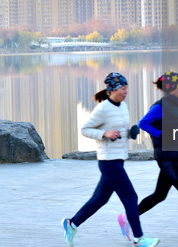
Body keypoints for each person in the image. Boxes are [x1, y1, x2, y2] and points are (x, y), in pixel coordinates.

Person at [61, 72, 160, 247]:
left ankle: (72, 224)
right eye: (123, 88)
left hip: (118, 158)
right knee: (130, 196)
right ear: (113, 90)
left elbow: (119, 131)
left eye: (126, 88)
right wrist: (104, 133)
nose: (126, 91)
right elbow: (85, 129)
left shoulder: (122, 106)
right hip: (108, 161)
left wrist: (131, 133)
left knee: (100, 198)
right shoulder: (103, 108)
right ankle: (139, 238)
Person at [117, 71, 178, 245]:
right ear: (170, 88)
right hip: (166, 156)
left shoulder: (177, 104)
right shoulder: (160, 106)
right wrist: (161, 134)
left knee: (159, 195)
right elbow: (144, 123)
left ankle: (127, 217)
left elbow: (173, 126)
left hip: (173, 154)